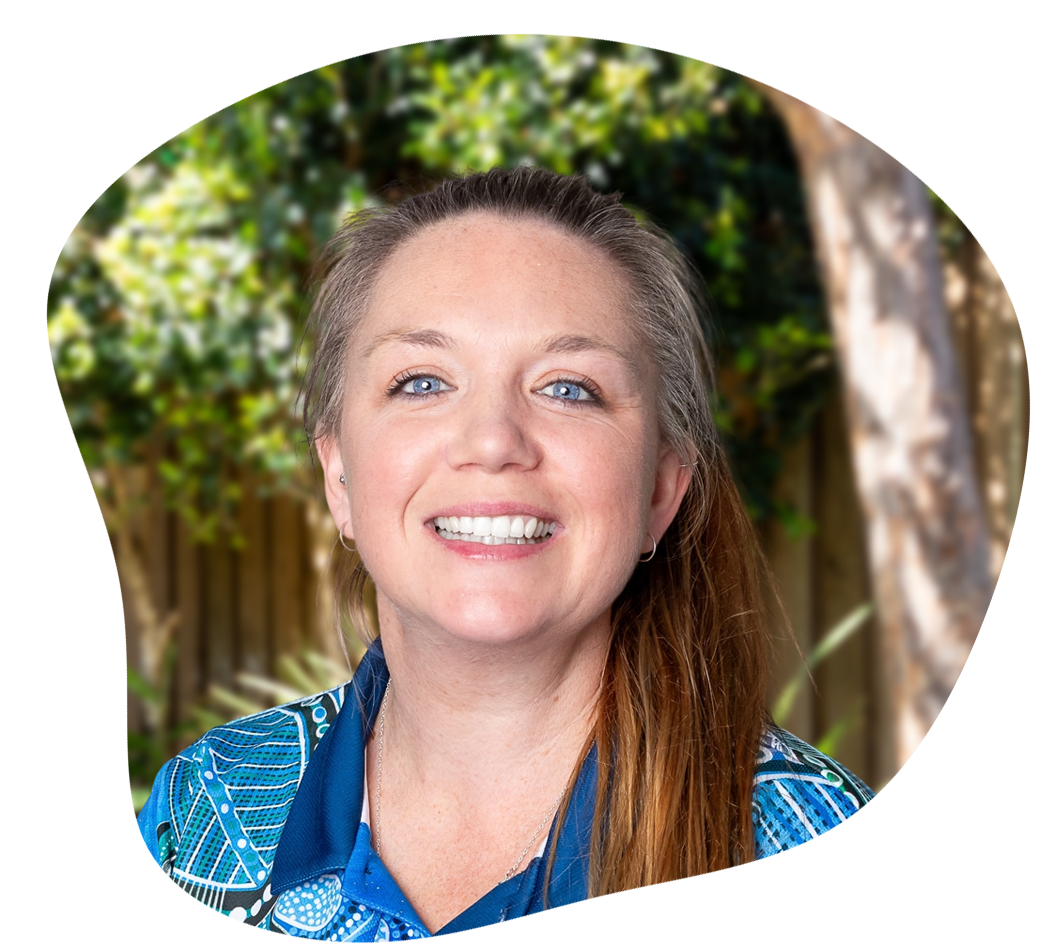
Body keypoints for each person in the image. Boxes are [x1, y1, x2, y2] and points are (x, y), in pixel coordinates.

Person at [134, 166, 895, 941]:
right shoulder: (206, 811)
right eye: (423, 381)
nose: (493, 441)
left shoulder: (816, 855)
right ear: (339, 476)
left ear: (662, 491)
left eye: (568, 388)